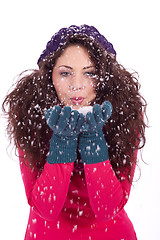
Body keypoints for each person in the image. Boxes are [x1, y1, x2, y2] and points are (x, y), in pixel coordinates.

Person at [2, 25, 147, 240]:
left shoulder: (124, 115)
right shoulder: (30, 115)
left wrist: (93, 141)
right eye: (65, 73)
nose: (76, 85)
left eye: (89, 73)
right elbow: (46, 209)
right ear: (49, 75)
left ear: (105, 77)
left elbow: (107, 209)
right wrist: (63, 141)